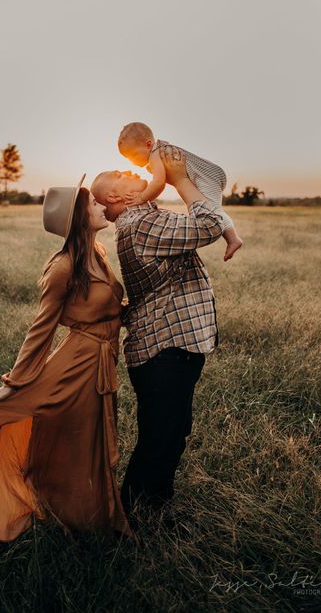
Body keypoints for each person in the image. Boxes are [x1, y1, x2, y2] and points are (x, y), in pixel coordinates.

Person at [0, 175, 133, 546]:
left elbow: (110, 310)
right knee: (78, 443)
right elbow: (41, 329)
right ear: (80, 218)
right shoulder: (63, 268)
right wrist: (13, 386)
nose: (101, 205)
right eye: (93, 205)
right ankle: (82, 519)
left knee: (87, 441)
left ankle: (91, 518)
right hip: (76, 367)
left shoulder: (96, 253)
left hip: (99, 364)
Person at [91, 147, 223, 524]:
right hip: (165, 350)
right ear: (117, 197)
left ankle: (153, 508)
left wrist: (173, 173)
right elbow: (211, 224)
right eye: (120, 173)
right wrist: (180, 179)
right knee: (160, 440)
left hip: (168, 348)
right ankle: (131, 518)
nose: (128, 170)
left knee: (171, 433)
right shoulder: (141, 225)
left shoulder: (144, 218)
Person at [117, 121, 243, 261]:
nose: (132, 162)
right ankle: (233, 239)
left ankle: (233, 239)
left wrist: (142, 197)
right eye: (128, 159)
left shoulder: (154, 155)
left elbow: (158, 183)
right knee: (214, 209)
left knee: (211, 212)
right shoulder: (160, 149)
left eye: (133, 155)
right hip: (208, 175)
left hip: (207, 176)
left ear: (148, 144)